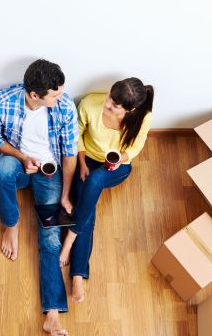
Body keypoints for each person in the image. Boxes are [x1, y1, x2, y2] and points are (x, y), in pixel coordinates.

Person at [0, 59, 79, 336]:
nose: (61, 97)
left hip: (49, 173)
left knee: (50, 236)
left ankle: (51, 312)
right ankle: (10, 224)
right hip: (19, 164)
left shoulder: (65, 107)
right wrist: (22, 157)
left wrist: (64, 194)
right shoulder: (1, 103)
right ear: (35, 94)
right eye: (55, 94)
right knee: (0, 170)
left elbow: (70, 152)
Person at [60, 78, 154, 302]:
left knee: (93, 184)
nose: (108, 105)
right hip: (88, 161)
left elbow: (136, 147)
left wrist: (121, 157)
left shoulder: (143, 117)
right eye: (110, 98)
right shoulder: (90, 104)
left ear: (130, 109)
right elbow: (78, 136)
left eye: (115, 105)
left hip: (116, 167)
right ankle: (78, 276)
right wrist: (82, 163)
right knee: (88, 207)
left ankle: (69, 242)